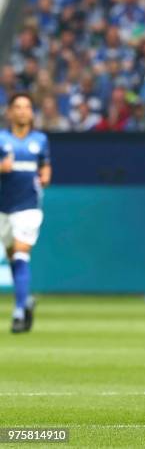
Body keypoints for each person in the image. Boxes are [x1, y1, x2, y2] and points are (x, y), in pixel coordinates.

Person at [0, 93, 51, 333]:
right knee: (13, 257)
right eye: (17, 107)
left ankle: (19, 313)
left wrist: (46, 174)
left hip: (28, 207)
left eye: (26, 107)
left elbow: (45, 164)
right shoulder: (1, 139)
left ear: (31, 112)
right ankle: (25, 300)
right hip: (3, 209)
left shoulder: (40, 140)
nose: (22, 111)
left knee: (21, 254)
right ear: (10, 112)